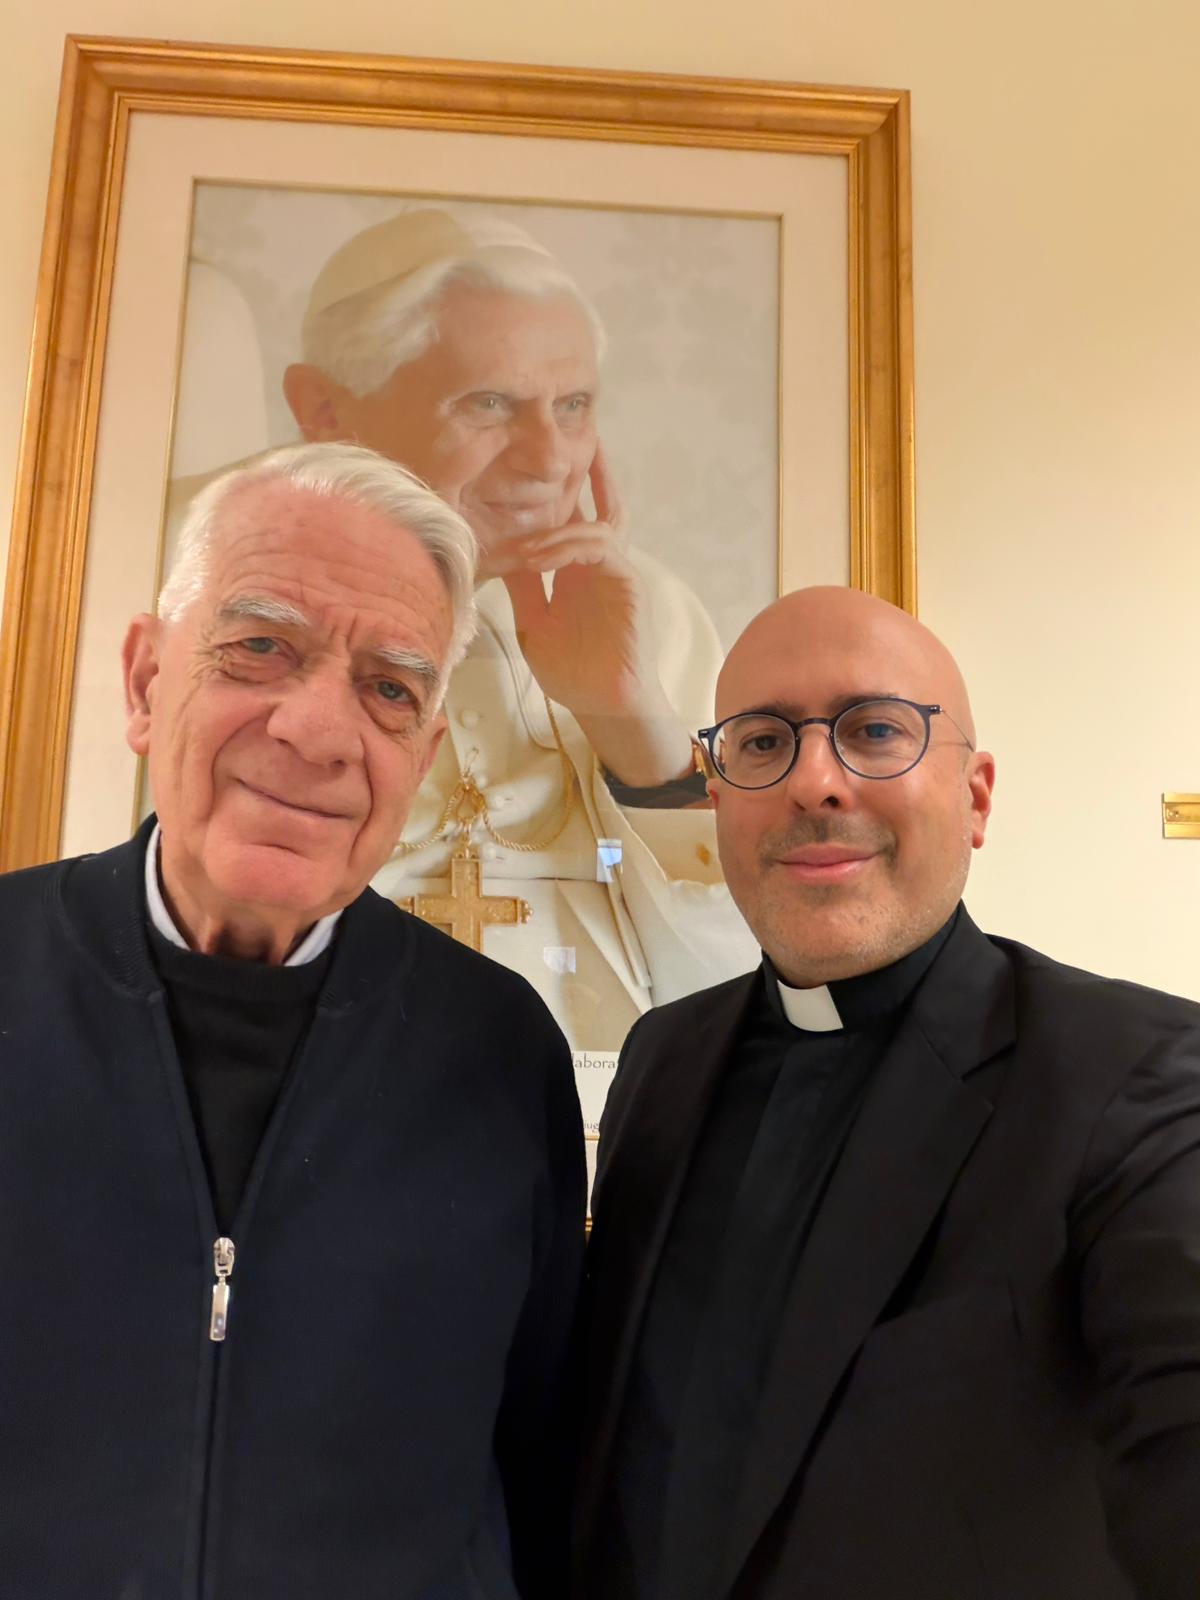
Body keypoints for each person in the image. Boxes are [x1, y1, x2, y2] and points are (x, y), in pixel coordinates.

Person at [0, 443, 585, 1599]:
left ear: (419, 755)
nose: (319, 731)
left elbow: (541, 1454)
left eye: (390, 688)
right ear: (143, 681)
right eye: (260, 646)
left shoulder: (500, 1051)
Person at [574, 585, 1200, 1600]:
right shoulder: (662, 1057)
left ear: (977, 797)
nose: (815, 780)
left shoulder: (1139, 1075)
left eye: (875, 730)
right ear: (719, 798)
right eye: (764, 742)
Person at [171, 208, 758, 1100]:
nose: (549, 459)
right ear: (324, 410)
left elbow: (729, 980)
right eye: (488, 404)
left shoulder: (656, 617)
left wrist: (630, 717)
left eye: (574, 407)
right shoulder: (217, 602)